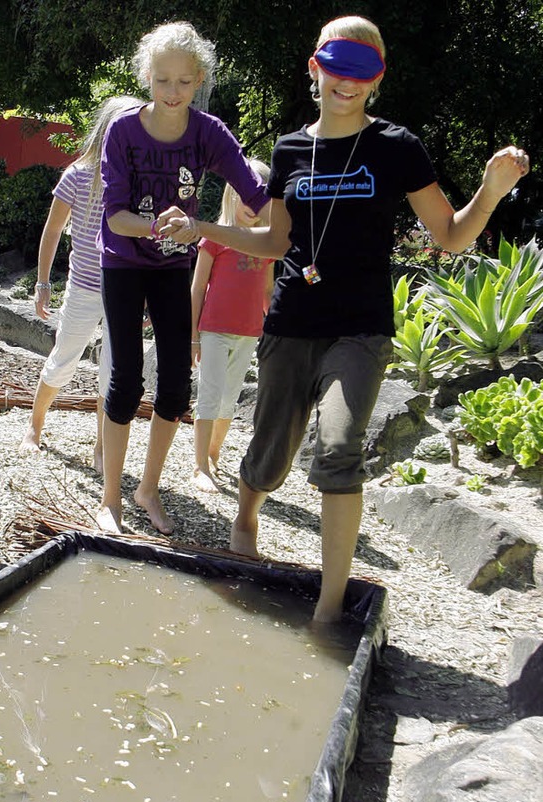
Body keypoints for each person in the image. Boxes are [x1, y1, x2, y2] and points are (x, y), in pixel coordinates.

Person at [159, 15, 530, 624]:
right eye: (337, 65)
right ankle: (247, 512)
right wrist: (203, 228)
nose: (346, 82)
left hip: (361, 330)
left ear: (376, 79)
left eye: (363, 70)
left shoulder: (396, 147)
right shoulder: (289, 150)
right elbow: (275, 241)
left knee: (338, 445)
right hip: (292, 321)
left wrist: (489, 191)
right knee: (273, 450)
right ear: (316, 67)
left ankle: (330, 608)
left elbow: (450, 234)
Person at [96, 21, 269, 536]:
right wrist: (159, 225)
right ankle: (110, 498)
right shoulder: (123, 130)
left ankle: (147, 490)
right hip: (124, 263)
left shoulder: (209, 133)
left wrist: (289, 206)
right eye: (163, 80)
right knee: (126, 379)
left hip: (173, 266)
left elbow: (256, 197)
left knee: (176, 385)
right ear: (147, 76)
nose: (173, 92)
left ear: (199, 81)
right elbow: (115, 217)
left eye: (184, 82)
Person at [19, 95, 143, 473]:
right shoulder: (77, 175)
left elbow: (148, 241)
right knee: (63, 360)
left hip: (125, 288)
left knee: (114, 371)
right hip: (85, 288)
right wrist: (43, 283)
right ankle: (34, 428)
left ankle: (101, 449)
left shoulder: (139, 180)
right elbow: (53, 229)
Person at [190, 159, 274, 493]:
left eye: (259, 197)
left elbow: (267, 290)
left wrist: (272, 326)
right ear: (231, 195)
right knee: (209, 396)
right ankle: (199, 467)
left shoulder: (266, 245)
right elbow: (197, 288)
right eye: (244, 195)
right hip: (213, 330)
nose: (251, 205)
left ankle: (212, 457)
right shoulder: (214, 238)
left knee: (229, 399)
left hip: (249, 332)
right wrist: (192, 335)